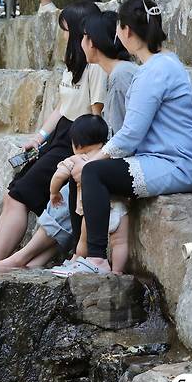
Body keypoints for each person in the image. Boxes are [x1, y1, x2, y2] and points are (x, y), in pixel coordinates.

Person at [0, 10, 136, 272]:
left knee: (42, 194)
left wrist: (88, 153)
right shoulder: (75, 68)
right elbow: (62, 106)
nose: (66, 37)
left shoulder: (105, 72)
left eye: (68, 31)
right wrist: (40, 137)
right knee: (25, 190)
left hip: (82, 139)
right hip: (67, 136)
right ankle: (28, 261)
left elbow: (100, 118)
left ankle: (13, 261)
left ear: (87, 36)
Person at [71, 0, 192, 274]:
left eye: (119, 26)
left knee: (92, 172)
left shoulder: (153, 71)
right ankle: (83, 254)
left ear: (127, 31)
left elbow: (130, 135)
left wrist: (94, 158)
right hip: (168, 160)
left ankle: (95, 259)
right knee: (90, 169)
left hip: (175, 165)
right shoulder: (165, 61)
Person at [48, 115, 129, 276]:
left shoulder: (77, 159)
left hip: (93, 212)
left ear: (76, 144)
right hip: (119, 207)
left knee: (83, 241)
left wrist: (54, 192)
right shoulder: (111, 156)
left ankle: (77, 259)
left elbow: (58, 176)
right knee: (120, 242)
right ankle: (118, 272)